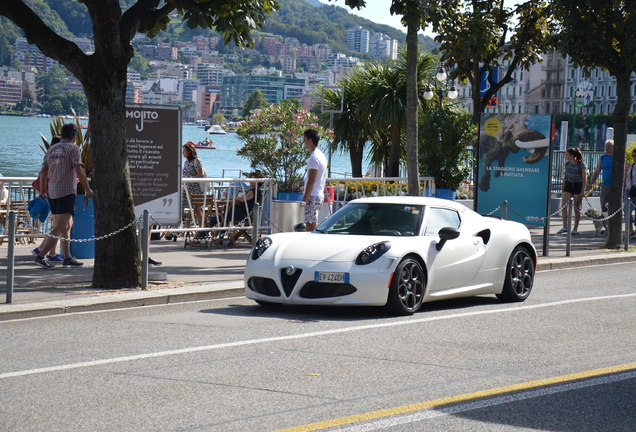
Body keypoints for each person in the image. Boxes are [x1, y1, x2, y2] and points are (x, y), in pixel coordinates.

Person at [34, 123, 92, 269]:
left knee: (67, 225)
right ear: (74, 136)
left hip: (53, 191)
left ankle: (67, 257)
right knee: (60, 227)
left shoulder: (52, 148)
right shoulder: (73, 148)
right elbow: (79, 169)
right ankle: (41, 256)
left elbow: (43, 170)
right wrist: (87, 189)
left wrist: (42, 190)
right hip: (66, 191)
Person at [32, 135, 65, 262]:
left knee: (57, 225)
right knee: (59, 226)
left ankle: (49, 251)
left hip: (49, 194)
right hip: (54, 194)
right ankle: (44, 250)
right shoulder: (56, 158)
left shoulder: (49, 156)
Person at [557, 147, 587, 235]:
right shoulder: (567, 164)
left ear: (572, 155)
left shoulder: (581, 164)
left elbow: (584, 178)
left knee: (576, 208)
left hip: (578, 185)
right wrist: (563, 188)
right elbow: (565, 176)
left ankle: (575, 229)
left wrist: (583, 191)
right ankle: (565, 226)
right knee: (563, 205)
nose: (565, 156)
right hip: (568, 184)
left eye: (567, 154)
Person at [301, 128, 327, 232]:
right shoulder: (321, 155)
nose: (304, 142)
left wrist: (305, 199)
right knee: (312, 221)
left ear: (310, 141)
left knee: (310, 223)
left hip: (313, 195)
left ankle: (309, 244)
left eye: (305, 139)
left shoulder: (313, 158)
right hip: (318, 193)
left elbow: (311, 180)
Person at [181, 142, 205, 227]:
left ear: (189, 151)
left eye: (184, 150)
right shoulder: (185, 162)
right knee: (180, 207)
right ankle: (178, 228)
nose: (182, 152)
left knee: (197, 210)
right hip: (185, 189)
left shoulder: (197, 161)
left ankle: (202, 228)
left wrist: (190, 179)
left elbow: (201, 174)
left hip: (195, 190)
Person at [589, 139, 614, 213]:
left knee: (613, 205)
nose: (607, 148)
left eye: (609, 146)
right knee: (603, 203)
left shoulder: (617, 158)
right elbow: (597, 171)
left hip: (615, 186)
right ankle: (605, 221)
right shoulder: (602, 158)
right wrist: (592, 182)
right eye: (606, 146)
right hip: (605, 184)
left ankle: (612, 221)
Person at [625, 148, 636, 238]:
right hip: (629, 189)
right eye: (633, 155)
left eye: (635, 155)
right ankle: (630, 230)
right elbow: (626, 179)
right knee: (627, 210)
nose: (634, 157)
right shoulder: (630, 166)